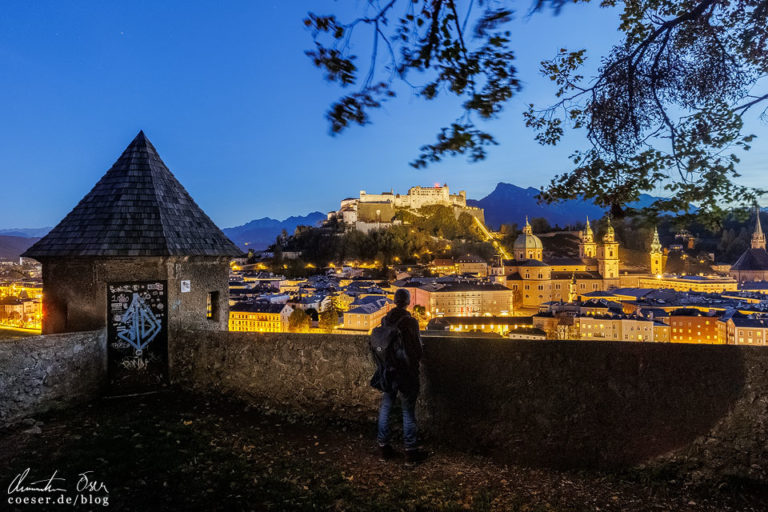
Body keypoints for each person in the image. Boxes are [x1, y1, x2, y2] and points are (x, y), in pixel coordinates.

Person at [371, 288, 426, 465]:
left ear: (395, 301)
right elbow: (418, 349)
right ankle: (410, 452)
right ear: (408, 302)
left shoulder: (385, 320)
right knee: (408, 410)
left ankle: (383, 448)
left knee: (386, 407)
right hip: (405, 372)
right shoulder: (410, 322)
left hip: (388, 370)